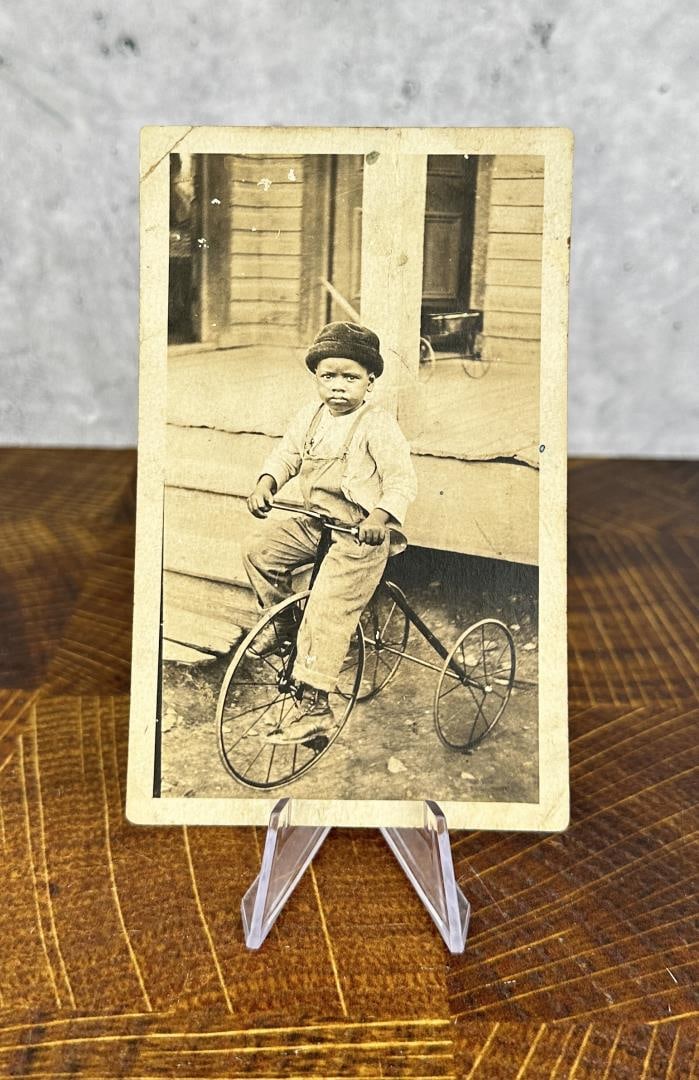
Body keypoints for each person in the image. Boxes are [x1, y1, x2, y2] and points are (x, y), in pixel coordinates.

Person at [244, 321, 417, 743]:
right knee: (258, 550)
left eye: (350, 377)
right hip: (317, 522)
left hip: (359, 535)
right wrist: (266, 483)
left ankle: (316, 708)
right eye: (328, 376)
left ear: (370, 381)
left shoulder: (377, 424)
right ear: (317, 378)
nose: (338, 386)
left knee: (326, 607)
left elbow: (401, 481)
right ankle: (285, 628)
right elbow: (286, 455)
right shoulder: (311, 416)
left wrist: (379, 518)